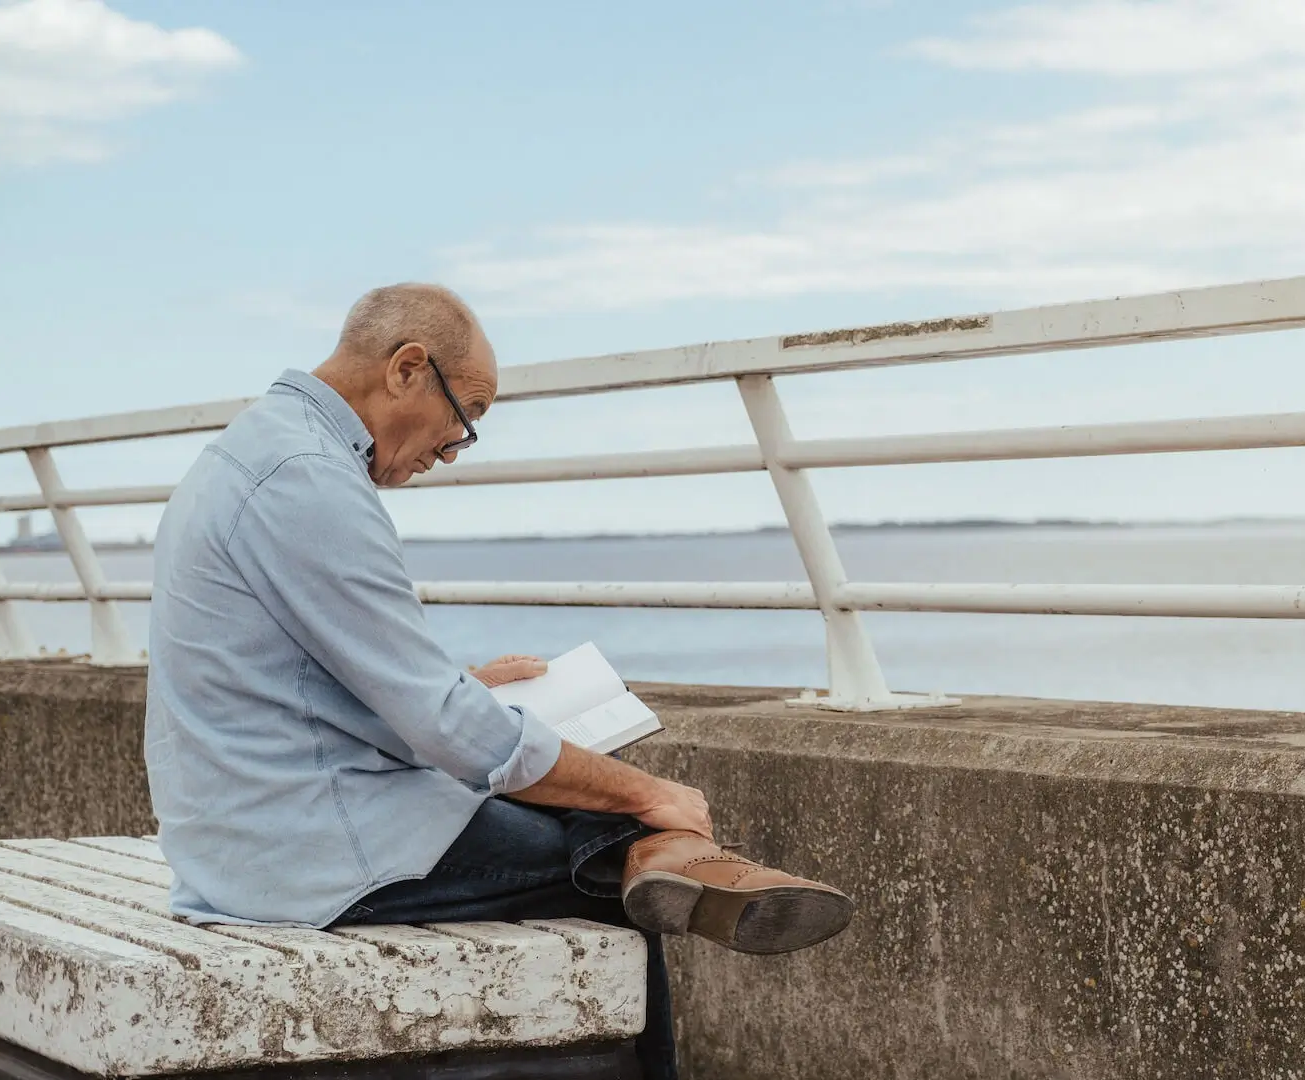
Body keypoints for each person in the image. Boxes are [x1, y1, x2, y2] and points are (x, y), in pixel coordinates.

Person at [143, 283, 853, 1080]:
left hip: (245, 827)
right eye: (461, 424)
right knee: (601, 867)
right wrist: (642, 792)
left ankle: (672, 853)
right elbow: (450, 730)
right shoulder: (306, 480)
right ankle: (675, 848)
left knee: (563, 808)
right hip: (303, 850)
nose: (445, 455)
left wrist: (456, 684)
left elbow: (305, 673)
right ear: (408, 369)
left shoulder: (256, 449)